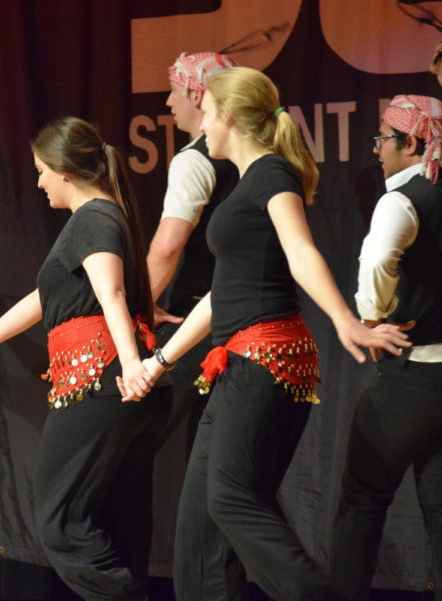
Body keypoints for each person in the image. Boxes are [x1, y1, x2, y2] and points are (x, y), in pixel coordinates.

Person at [134, 67, 411, 601]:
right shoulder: (245, 185)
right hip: (237, 359)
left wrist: (344, 319)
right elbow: (221, 294)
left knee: (233, 499)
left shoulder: (273, 175)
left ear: (231, 117)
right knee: (199, 522)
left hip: (265, 359)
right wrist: (159, 360)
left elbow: (301, 250)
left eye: (208, 114)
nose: (202, 126)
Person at [0, 116, 164, 600]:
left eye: (40, 170)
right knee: (118, 521)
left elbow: (111, 293)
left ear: (65, 170)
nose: (37, 182)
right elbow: (43, 298)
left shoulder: (92, 217)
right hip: (122, 382)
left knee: (59, 521)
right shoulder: (106, 216)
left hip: (103, 378)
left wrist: (132, 364)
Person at [328, 43, 442, 601]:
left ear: (411, 142)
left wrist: (370, 317)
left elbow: (377, 261)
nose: (376, 149)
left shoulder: (400, 200)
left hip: (420, 380)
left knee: (362, 499)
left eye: (383, 137)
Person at [147, 51, 239, 447]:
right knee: (219, 443)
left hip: (198, 317)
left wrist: (140, 304)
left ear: (198, 95)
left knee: (144, 433)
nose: (168, 102)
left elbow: (167, 247)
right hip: (251, 314)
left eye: (174, 91)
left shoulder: (195, 160)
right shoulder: (259, 153)